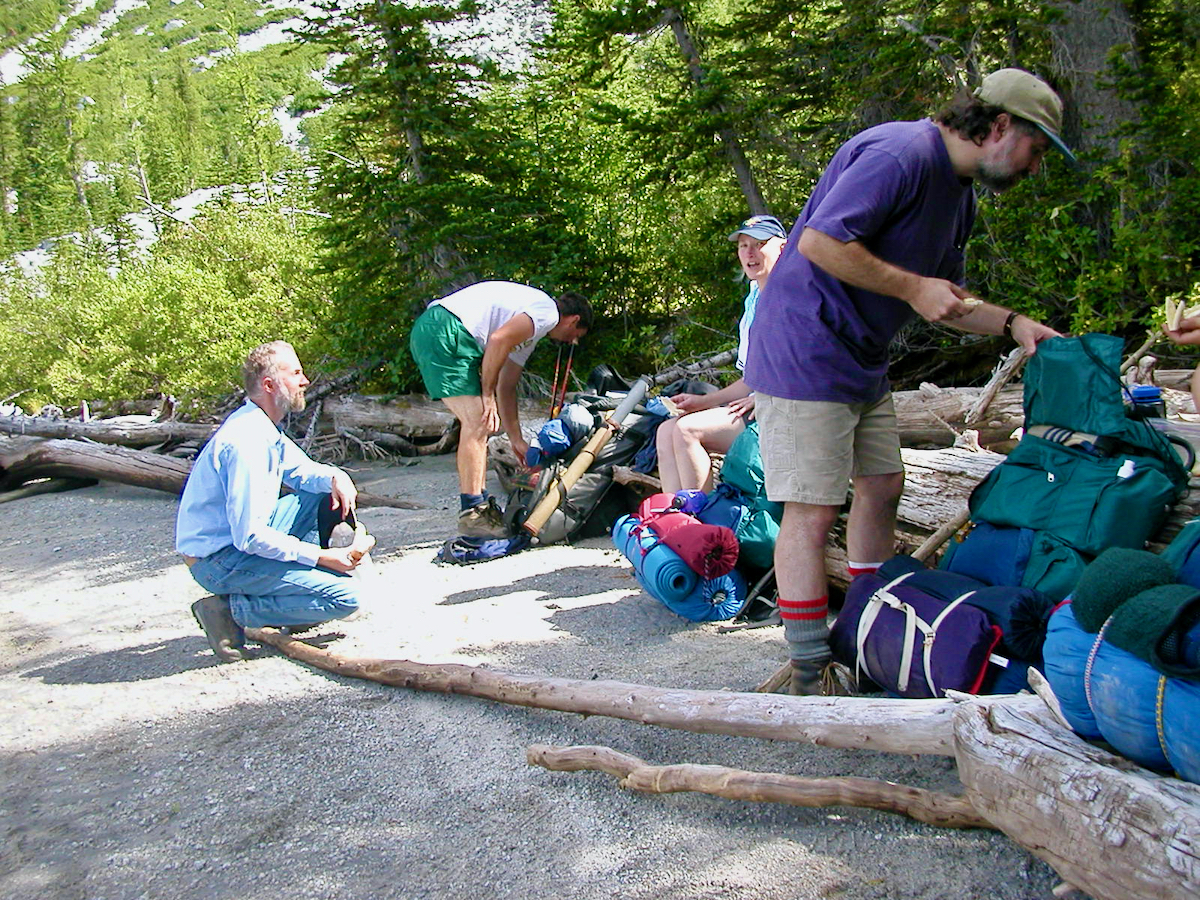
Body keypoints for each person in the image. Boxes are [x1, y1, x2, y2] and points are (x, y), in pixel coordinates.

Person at [743, 68, 1070, 694]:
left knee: (885, 483)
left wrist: (1012, 323)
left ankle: (865, 626)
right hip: (803, 350)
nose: (1034, 168)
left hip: (859, 356)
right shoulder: (901, 153)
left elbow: (945, 298)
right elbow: (817, 241)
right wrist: (911, 286)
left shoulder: (960, 194)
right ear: (1000, 126)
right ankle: (812, 668)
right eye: (1035, 150)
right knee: (811, 511)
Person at [177, 341, 374, 662]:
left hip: (234, 545)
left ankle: (295, 598)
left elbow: (302, 472)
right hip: (217, 560)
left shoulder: (261, 426)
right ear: (270, 385)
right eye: (295, 373)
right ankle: (228, 611)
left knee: (322, 491)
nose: (305, 380)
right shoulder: (247, 443)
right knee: (346, 597)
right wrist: (322, 557)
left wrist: (335, 476)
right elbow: (249, 536)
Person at [409, 280, 593, 538]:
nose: (573, 342)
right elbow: (497, 340)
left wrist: (516, 439)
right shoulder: (547, 312)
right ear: (573, 320)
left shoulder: (531, 326)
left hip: (443, 329)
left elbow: (507, 385)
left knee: (479, 424)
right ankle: (473, 513)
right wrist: (486, 395)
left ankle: (480, 504)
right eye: (577, 335)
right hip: (445, 329)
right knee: (479, 423)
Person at [655, 215, 787, 494]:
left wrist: (763, 397)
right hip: (759, 406)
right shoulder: (754, 299)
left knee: (687, 430)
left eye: (760, 243)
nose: (750, 253)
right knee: (666, 431)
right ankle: (673, 520)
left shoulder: (792, 298)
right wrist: (704, 401)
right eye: (743, 245)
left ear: (783, 249)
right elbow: (752, 378)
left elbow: (803, 368)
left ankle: (698, 527)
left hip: (787, 413)